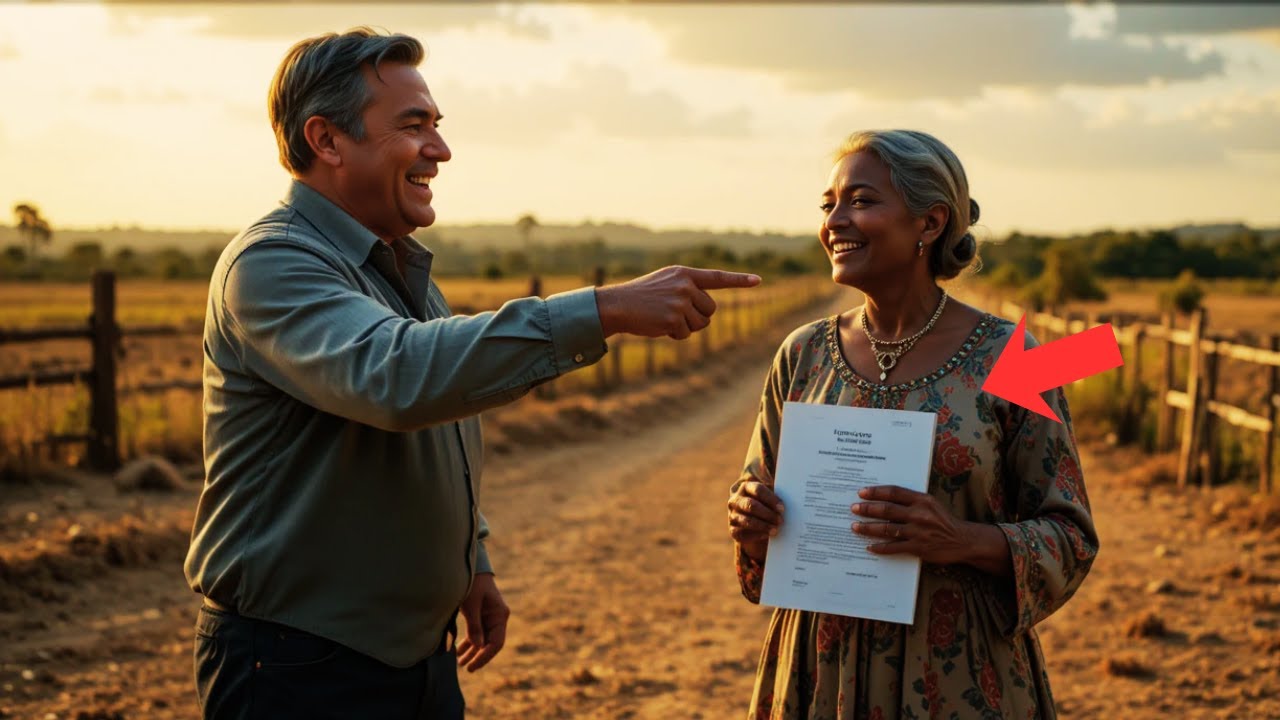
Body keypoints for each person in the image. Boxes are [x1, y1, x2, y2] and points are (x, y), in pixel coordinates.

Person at [186, 27, 759, 719]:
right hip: (298, 662)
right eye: (413, 125)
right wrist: (603, 310)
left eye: (436, 124)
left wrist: (470, 563)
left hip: (412, 654)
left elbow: (440, 423)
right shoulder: (273, 265)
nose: (440, 148)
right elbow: (397, 378)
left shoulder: (400, 268)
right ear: (326, 140)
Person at [726, 129, 1098, 719]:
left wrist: (960, 539)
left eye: (862, 201)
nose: (836, 221)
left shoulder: (1016, 356)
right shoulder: (802, 354)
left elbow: (1072, 538)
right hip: (819, 669)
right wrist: (750, 517)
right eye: (829, 205)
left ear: (929, 223)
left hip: (958, 674)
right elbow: (759, 520)